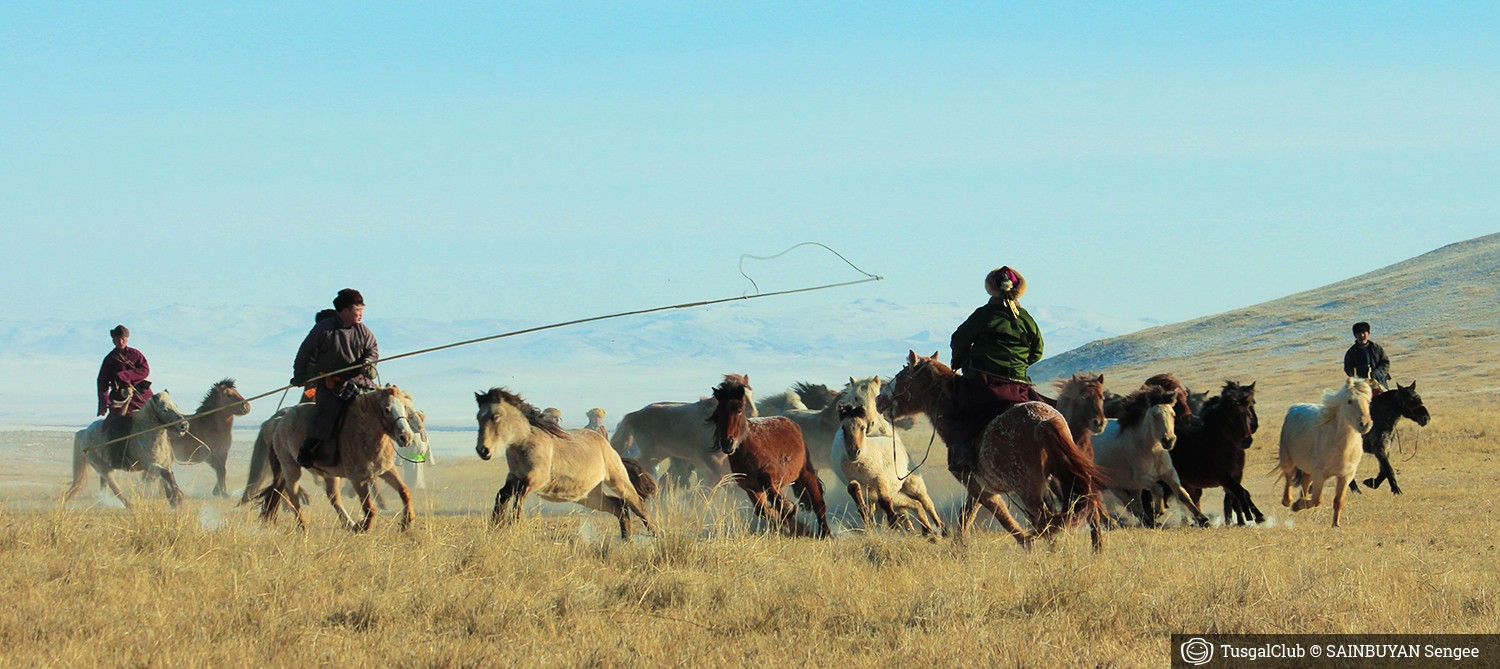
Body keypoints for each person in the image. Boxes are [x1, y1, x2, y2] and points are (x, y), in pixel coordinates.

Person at [943, 266, 1049, 475]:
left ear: (991, 288)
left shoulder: (984, 314)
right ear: (1018, 289)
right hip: (1018, 384)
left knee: (955, 409)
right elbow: (1038, 350)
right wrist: (1019, 364)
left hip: (984, 382)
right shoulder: (1026, 318)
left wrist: (960, 360)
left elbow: (959, 340)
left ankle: (963, 454)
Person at [291, 289, 379, 468]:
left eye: (362, 310)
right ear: (344, 311)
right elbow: (305, 352)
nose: (361, 314)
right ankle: (307, 450)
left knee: (384, 408)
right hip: (333, 385)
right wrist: (299, 375)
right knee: (327, 413)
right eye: (357, 310)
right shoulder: (324, 329)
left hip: (361, 383)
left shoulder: (363, 331)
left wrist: (369, 361)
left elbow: (372, 349)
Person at [97, 325, 154, 447]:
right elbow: (102, 382)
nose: (120, 341)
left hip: (141, 394)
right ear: (113, 340)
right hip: (120, 396)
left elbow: (145, 370)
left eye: (123, 338)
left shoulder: (136, 354)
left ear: (127, 339)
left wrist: (125, 375)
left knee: (159, 412)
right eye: (117, 339)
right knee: (113, 424)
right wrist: (103, 402)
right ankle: (115, 452)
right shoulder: (110, 359)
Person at [1343, 321, 1390, 392]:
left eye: (1364, 333)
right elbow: (1348, 369)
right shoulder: (1351, 353)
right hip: (1362, 387)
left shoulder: (1376, 348)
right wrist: (1362, 372)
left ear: (1368, 334)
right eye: (1359, 333)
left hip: (1379, 383)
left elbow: (1385, 363)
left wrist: (1375, 374)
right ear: (1355, 336)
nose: (1362, 335)